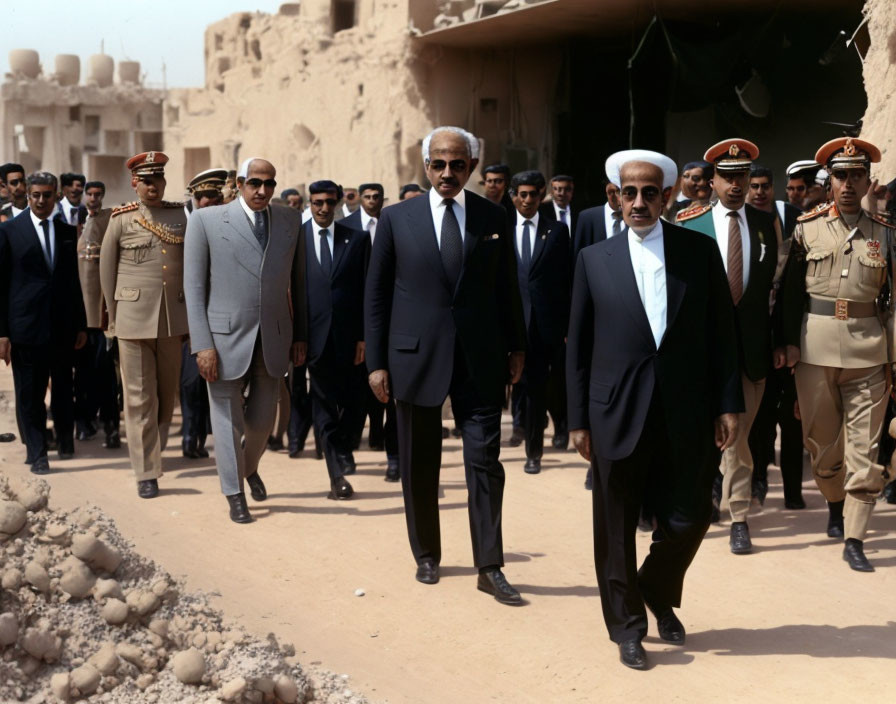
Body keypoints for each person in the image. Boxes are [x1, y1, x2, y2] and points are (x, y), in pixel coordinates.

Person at [567, 149, 741, 670]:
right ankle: (628, 626)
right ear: (615, 197)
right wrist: (577, 419)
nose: (638, 202)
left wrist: (728, 403)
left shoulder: (698, 252)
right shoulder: (593, 259)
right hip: (614, 412)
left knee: (690, 517)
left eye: (649, 192)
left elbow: (722, 336)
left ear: (667, 196)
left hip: (685, 411)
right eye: (629, 192)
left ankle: (654, 587)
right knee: (614, 525)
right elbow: (577, 346)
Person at [365, 126, 527, 605]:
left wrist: (516, 347)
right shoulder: (398, 219)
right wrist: (376, 362)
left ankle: (490, 565)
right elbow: (375, 295)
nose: (448, 173)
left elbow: (506, 289)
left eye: (458, 164)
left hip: (480, 359)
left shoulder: (493, 216)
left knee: (485, 462)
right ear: (426, 166)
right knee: (420, 463)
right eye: (439, 164)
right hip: (414, 358)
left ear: (472, 167)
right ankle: (427, 554)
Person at [780, 137, 894, 572]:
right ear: (830, 181)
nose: (849, 184)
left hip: (869, 350)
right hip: (815, 349)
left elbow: (893, 300)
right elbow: (791, 295)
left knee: (864, 450)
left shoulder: (885, 233)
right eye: (841, 176)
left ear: (869, 181)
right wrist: (787, 345)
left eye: (857, 176)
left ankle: (855, 537)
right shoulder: (806, 228)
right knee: (825, 449)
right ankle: (833, 500)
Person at [185, 157, 306, 523]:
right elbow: (193, 287)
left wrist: (299, 336)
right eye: (254, 183)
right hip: (222, 340)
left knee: (261, 423)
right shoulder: (207, 221)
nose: (262, 191)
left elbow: (297, 283)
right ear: (238, 184)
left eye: (269, 184)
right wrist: (202, 344)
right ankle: (234, 493)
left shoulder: (288, 219)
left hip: (273, 338)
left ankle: (248, 466)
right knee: (226, 420)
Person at [676, 139, 779, 554]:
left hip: (751, 349)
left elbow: (776, 284)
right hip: (702, 351)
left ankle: (739, 515)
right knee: (702, 434)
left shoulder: (765, 222)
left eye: (743, 177)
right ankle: (702, 499)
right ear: (712, 181)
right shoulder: (688, 223)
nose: (737, 185)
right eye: (728, 177)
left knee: (740, 437)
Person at [99, 151, 189, 499]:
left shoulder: (180, 215)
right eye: (146, 180)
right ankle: (146, 472)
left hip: (172, 319)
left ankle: (154, 450)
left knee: (167, 398)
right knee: (139, 399)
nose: (153, 186)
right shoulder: (120, 219)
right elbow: (107, 272)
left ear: (165, 182)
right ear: (135, 184)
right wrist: (113, 317)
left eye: (158, 179)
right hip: (133, 320)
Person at [0, 171, 88, 474]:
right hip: (25, 327)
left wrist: (80, 323)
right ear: (28, 195)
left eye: (46, 195)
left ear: (55, 196)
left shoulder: (66, 230)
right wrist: (2, 333)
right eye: (35, 195)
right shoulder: (10, 230)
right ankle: (37, 453)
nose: (40, 201)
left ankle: (65, 440)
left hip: (62, 327)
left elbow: (72, 281)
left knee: (64, 387)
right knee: (31, 394)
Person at [303, 180, 370, 495]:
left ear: (339, 202)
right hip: (313, 340)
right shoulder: (297, 240)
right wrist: (297, 338)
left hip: (351, 338)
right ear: (310, 203)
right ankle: (335, 477)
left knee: (356, 403)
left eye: (329, 202)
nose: (324, 209)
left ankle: (344, 444)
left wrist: (364, 337)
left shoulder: (356, 240)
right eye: (318, 203)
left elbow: (367, 291)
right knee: (324, 406)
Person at [745, 165, 805, 509]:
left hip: (789, 332)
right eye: (754, 186)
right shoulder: (743, 222)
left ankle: (794, 494)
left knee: (792, 417)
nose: (759, 192)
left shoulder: (794, 217)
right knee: (760, 418)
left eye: (765, 185)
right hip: (757, 335)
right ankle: (759, 480)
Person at [508, 170, 570, 474]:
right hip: (508, 326)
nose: (528, 200)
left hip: (544, 329)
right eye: (522, 194)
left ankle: (534, 452)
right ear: (513, 196)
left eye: (533, 194)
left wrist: (567, 327)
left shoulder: (556, 232)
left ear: (541, 195)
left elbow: (566, 281)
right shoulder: (500, 231)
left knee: (537, 392)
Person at [180, 168, 227, 459]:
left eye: (213, 196)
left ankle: (206, 438)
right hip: (187, 312)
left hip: (221, 311)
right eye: (203, 196)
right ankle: (189, 434)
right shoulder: (178, 223)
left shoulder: (227, 220)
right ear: (193, 197)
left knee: (217, 378)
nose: (208, 201)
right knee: (190, 381)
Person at [74, 180, 121, 449]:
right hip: (79, 315)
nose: (93, 198)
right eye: (89, 194)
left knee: (106, 375)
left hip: (104, 316)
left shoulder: (110, 220)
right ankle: (84, 422)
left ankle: (111, 427)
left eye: (97, 194)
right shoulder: (71, 222)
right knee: (81, 375)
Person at [572, 180, 624, 262]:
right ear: (610, 192)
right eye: (624, 192)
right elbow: (579, 256)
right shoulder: (588, 217)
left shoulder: (636, 217)